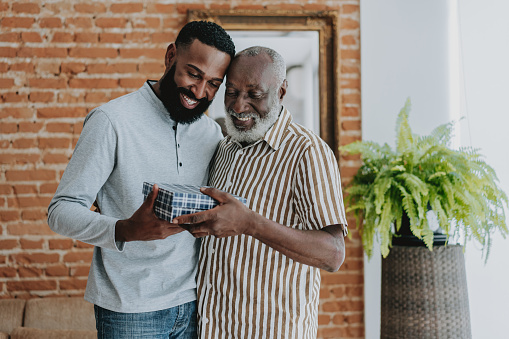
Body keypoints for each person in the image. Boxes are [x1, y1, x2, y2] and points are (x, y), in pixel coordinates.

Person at [47, 21, 235, 338]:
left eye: (214, 83)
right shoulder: (112, 121)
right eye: (194, 74)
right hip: (129, 311)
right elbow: (60, 211)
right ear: (170, 56)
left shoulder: (210, 133)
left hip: (194, 305)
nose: (200, 92)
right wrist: (124, 229)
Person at [173, 46, 348, 339]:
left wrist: (250, 223)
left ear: (281, 92)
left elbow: (333, 254)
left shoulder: (307, 152)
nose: (239, 106)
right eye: (232, 92)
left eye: (254, 95)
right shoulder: (226, 146)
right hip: (211, 329)